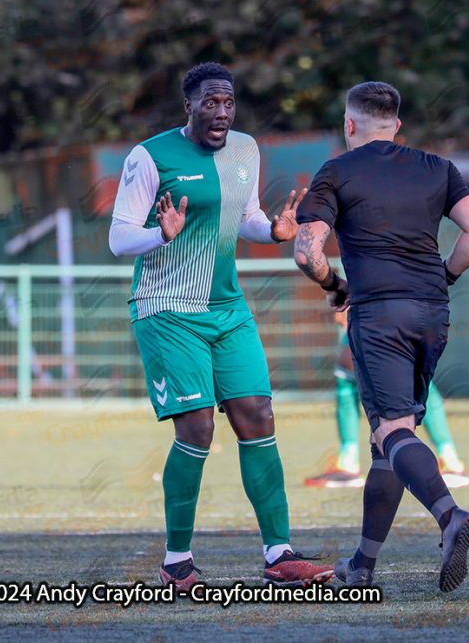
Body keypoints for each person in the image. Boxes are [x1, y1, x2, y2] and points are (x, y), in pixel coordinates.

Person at [109, 62, 333, 590]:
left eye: (229, 103)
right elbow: (120, 239)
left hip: (227, 307)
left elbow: (247, 216)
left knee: (257, 414)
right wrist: (160, 236)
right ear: (188, 105)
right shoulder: (149, 156)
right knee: (198, 428)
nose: (222, 113)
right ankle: (177, 564)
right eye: (211, 103)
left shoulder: (245, 150)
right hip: (167, 308)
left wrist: (273, 231)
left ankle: (279, 556)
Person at [293, 81, 469, 591]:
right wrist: (444, 275)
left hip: (379, 314)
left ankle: (450, 516)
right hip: (432, 311)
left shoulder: (336, 170)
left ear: (349, 124)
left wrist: (335, 285)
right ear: (397, 125)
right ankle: (361, 565)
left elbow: (306, 253)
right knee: (389, 441)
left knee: (391, 430)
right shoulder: (437, 168)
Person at [305, 308, 469, 489]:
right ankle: (348, 461)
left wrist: (347, 300)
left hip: (384, 303)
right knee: (353, 373)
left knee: (411, 375)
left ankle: (449, 459)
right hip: (402, 304)